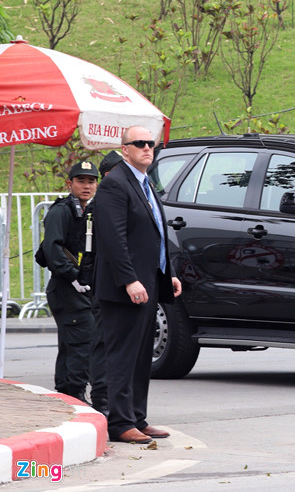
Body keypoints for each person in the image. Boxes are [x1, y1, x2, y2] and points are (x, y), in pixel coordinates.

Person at [93, 126, 182, 444]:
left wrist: (166, 273)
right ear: (125, 149)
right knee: (123, 356)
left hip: (149, 283)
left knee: (142, 355)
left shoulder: (145, 184)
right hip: (124, 288)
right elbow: (114, 239)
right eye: (140, 143)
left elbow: (154, 234)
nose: (147, 148)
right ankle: (119, 422)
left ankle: (137, 417)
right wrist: (129, 279)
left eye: (151, 144)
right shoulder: (115, 185)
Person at [41, 160, 99, 403]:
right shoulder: (61, 211)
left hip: (79, 288)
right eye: (80, 181)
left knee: (71, 343)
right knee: (81, 342)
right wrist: (73, 276)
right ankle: (75, 396)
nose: (86, 186)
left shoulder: (88, 211)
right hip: (67, 287)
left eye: (91, 181)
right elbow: (51, 250)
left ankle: (66, 397)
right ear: (70, 183)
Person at [85, 150, 124, 417]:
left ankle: (114, 398)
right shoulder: (104, 204)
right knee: (104, 341)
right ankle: (101, 397)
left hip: (116, 283)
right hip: (106, 283)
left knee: (117, 342)